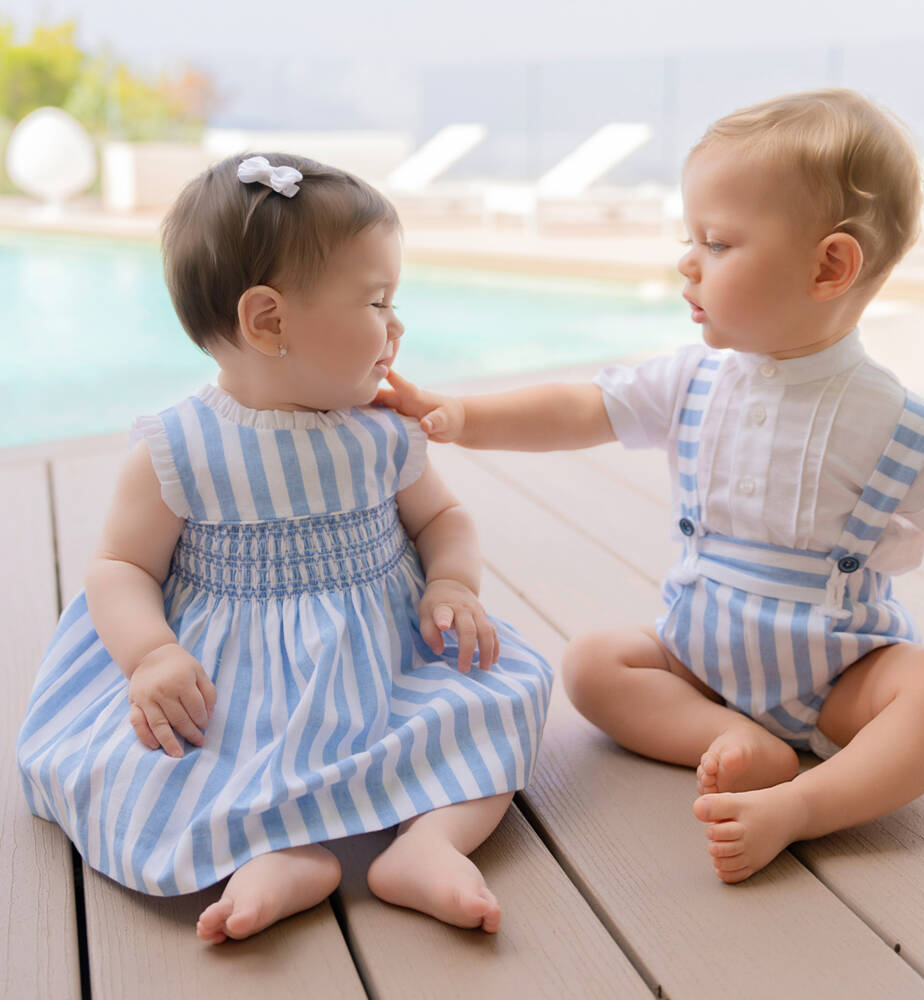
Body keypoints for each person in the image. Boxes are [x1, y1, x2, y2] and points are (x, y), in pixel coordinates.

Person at [377, 90, 924, 883]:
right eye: (690, 238)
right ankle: (731, 741)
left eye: (717, 241)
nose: (687, 260)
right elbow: (579, 407)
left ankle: (803, 807)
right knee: (596, 664)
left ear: (829, 266)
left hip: (842, 676)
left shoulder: (897, 421)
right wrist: (462, 413)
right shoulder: (693, 380)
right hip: (698, 661)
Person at [16, 153, 552, 942]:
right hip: (236, 677)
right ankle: (280, 852)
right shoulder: (179, 448)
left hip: (382, 658)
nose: (396, 324)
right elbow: (121, 567)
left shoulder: (381, 429)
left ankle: (428, 844)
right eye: (376, 300)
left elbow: (445, 519)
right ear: (268, 320)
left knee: (500, 702)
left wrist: (452, 586)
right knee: (184, 762)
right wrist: (153, 656)